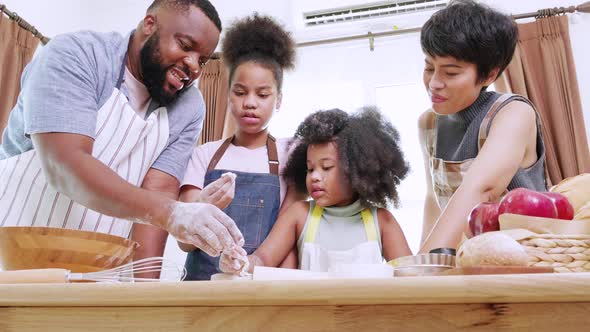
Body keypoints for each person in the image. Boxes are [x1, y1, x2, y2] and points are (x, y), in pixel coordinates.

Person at [0, 0, 244, 265]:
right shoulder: (77, 55)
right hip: (13, 252)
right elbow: (65, 166)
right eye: (185, 46)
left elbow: (159, 197)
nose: (194, 67)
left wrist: (146, 297)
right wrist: (174, 213)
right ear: (149, 25)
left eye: (203, 60)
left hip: (97, 270)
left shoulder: (189, 106)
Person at [176, 14, 304, 280]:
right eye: (241, 91)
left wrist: (246, 264)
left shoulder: (291, 155)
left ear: (278, 100)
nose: (250, 103)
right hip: (201, 290)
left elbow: (288, 232)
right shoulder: (204, 155)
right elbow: (184, 243)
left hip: (259, 289)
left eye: (263, 94)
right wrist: (202, 207)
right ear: (228, 95)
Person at [418, 0, 547, 253]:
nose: (434, 83)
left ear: (489, 75)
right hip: (464, 262)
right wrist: (420, 263)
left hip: (524, 263)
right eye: (428, 67)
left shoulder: (513, 113)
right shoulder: (429, 122)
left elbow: (482, 189)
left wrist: (426, 267)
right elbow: (435, 201)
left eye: (451, 73)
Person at [220, 108, 412, 274]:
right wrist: (241, 263)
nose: (314, 177)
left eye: (326, 167)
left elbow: (410, 276)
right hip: (310, 316)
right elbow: (263, 259)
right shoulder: (300, 214)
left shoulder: (382, 221)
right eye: (310, 169)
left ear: (356, 170)